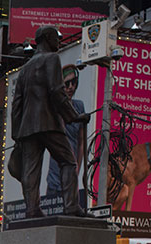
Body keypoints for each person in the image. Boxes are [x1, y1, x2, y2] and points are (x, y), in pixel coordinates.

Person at [9, 25, 90, 218]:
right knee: (68, 162)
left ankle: (31, 210)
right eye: (56, 37)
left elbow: (16, 104)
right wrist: (74, 117)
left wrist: (17, 134)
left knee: (30, 171)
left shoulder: (25, 69)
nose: (59, 41)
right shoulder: (52, 59)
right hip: (48, 122)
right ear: (46, 38)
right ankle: (71, 206)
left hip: (27, 129)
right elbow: (57, 92)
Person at [45, 65, 87, 199]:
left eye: (74, 83)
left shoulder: (79, 106)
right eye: (67, 83)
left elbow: (81, 142)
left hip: (71, 171)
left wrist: (78, 168)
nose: (71, 87)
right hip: (55, 173)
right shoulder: (53, 106)